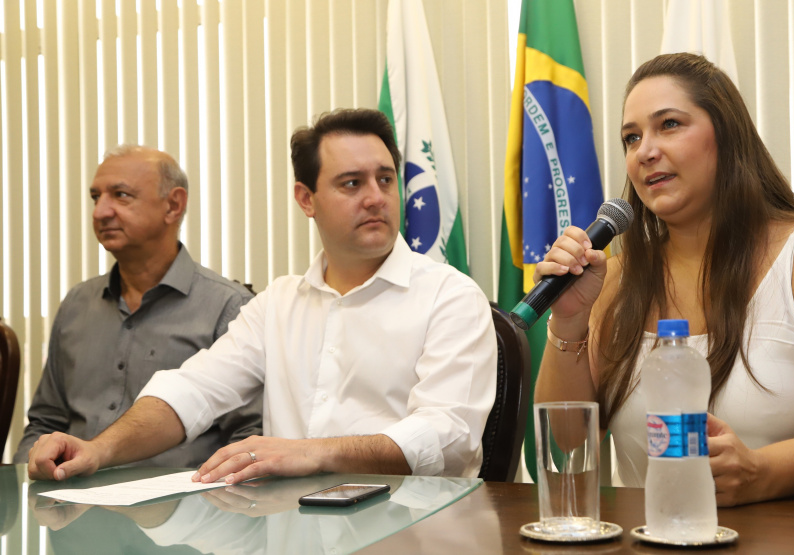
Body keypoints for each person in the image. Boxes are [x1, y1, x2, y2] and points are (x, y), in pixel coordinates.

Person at [27, 108, 497, 483]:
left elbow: (447, 437)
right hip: (292, 531)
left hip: (416, 531)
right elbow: (193, 391)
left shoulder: (449, 296)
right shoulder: (279, 303)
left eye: (385, 179)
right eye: (352, 183)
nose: (376, 197)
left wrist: (310, 454)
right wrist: (98, 450)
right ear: (306, 199)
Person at [533, 53, 794, 507]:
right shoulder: (616, 279)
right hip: (659, 537)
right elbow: (567, 448)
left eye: (669, 124)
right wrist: (568, 323)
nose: (645, 150)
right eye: (631, 137)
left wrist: (762, 473)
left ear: (726, 135)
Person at [14, 146, 260, 468]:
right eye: (95, 197)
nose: (100, 211)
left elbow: (248, 440)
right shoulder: (77, 304)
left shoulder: (230, 306)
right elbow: (45, 424)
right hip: (73, 504)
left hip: (182, 510)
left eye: (121, 195)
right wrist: (29, 476)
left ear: (173, 205)